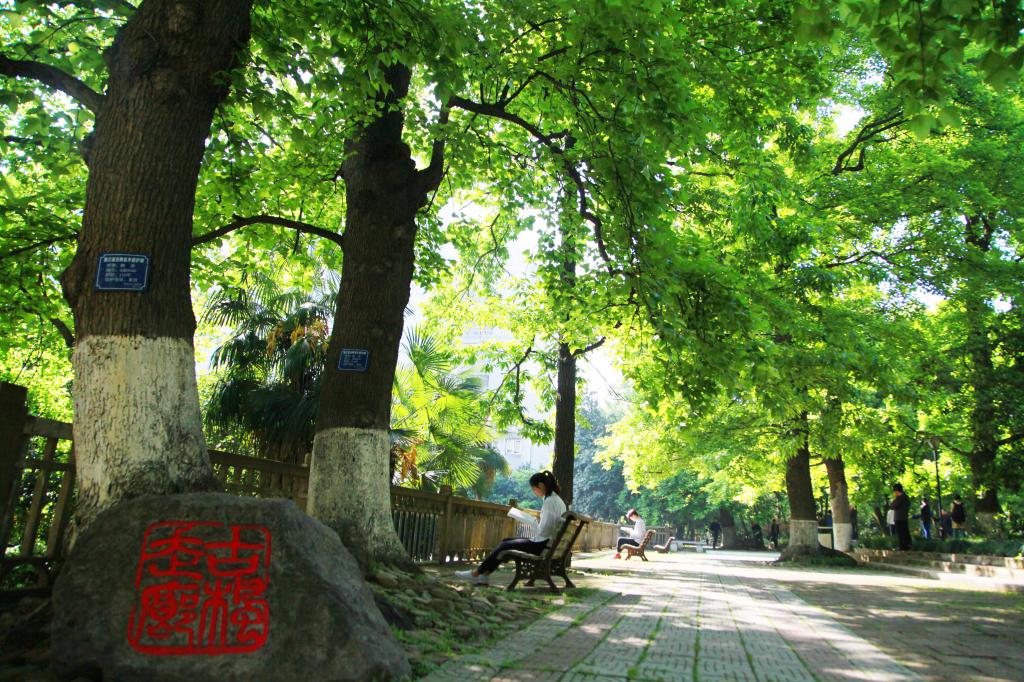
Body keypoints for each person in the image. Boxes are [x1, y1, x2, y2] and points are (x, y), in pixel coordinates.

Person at [454, 471, 566, 584]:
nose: (534, 492)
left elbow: (544, 530)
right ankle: (484, 575)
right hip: (547, 544)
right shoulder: (558, 501)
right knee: (506, 542)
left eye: (534, 488)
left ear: (541, 485)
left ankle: (476, 573)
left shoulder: (549, 502)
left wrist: (533, 524)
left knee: (505, 545)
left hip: (540, 545)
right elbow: (549, 527)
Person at [889, 483, 911, 551]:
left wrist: (894, 500)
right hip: (904, 517)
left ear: (896, 491)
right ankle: (907, 545)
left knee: (901, 533)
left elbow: (892, 506)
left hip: (899, 518)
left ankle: (903, 547)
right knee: (905, 532)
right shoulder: (906, 497)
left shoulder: (899, 498)